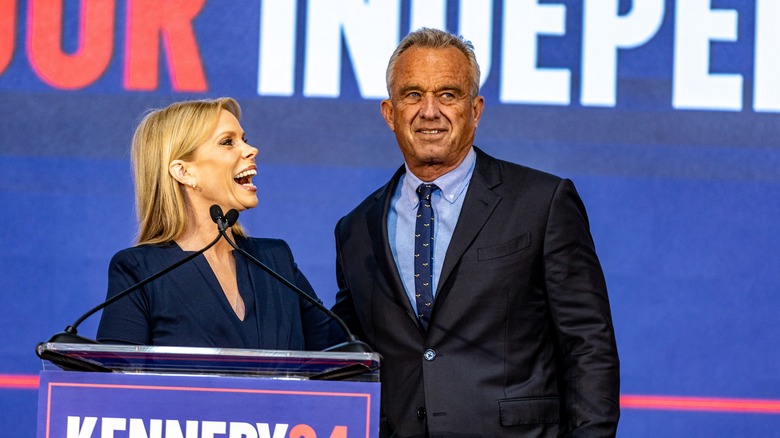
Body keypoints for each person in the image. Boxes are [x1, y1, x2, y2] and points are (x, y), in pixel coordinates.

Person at [331, 28, 620, 437]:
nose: (429, 111)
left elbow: (588, 346)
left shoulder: (542, 203)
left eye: (448, 94)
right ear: (389, 113)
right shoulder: (357, 228)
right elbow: (348, 354)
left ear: (476, 108)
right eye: (412, 95)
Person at [97, 98, 331, 351]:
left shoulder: (276, 261)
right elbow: (116, 382)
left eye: (244, 139)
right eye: (228, 142)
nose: (251, 150)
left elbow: (343, 356)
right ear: (183, 172)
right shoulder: (141, 271)